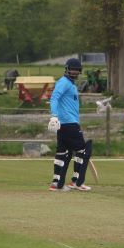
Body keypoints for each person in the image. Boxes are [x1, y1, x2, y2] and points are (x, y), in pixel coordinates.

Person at [47, 58, 92, 191]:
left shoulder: (71, 85)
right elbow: (54, 98)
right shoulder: (64, 82)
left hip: (65, 124)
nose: (74, 72)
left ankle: (56, 183)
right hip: (69, 123)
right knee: (82, 150)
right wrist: (54, 116)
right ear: (67, 69)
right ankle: (76, 181)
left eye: (77, 70)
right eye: (72, 69)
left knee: (62, 152)